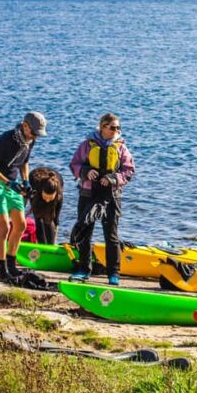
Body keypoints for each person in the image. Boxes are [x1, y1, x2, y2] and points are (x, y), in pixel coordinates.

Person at [68, 113, 135, 285]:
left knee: (111, 235)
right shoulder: (87, 145)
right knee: (85, 231)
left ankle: (113, 273)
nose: (116, 131)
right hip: (88, 194)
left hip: (111, 196)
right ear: (102, 127)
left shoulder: (121, 148)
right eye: (113, 127)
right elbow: (74, 164)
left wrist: (113, 179)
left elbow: (128, 171)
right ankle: (83, 270)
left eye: (118, 128)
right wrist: (85, 172)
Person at [0, 111, 47, 282]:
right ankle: (2, 270)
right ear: (25, 126)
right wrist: (8, 183)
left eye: (38, 135)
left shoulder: (29, 141)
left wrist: (25, 181)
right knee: (4, 227)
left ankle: (12, 265)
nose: (35, 137)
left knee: (20, 225)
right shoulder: (6, 140)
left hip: (11, 184)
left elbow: (24, 162)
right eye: (34, 133)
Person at [28, 167, 64, 244]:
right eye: (45, 197)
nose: (47, 200)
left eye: (50, 198)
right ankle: (41, 244)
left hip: (56, 179)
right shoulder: (35, 190)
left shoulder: (59, 197)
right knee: (38, 219)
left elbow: (56, 220)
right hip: (35, 177)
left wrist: (54, 243)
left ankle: (50, 245)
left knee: (49, 219)